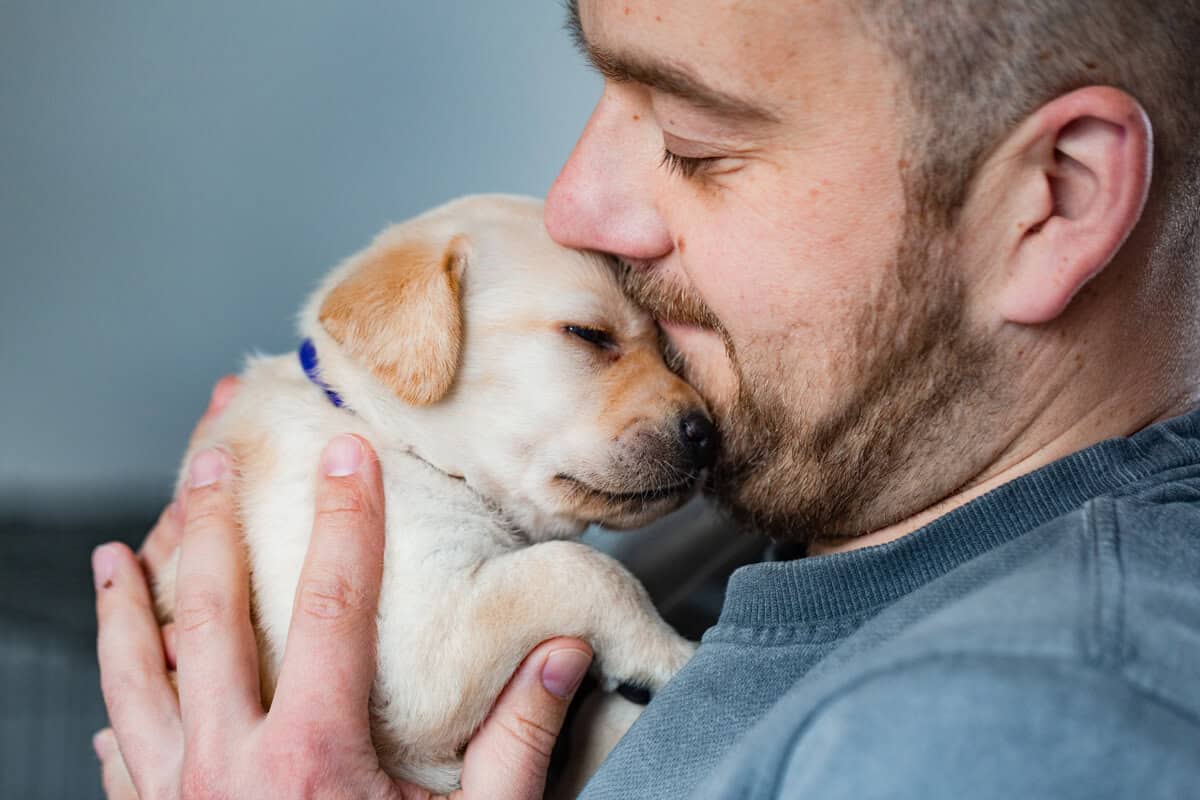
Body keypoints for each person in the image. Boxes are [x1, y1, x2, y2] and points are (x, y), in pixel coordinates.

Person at [93, 0, 1200, 797]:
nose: (576, 205)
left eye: (694, 141)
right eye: (604, 87)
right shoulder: (762, 504)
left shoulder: (1011, 729)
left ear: (1051, 201)